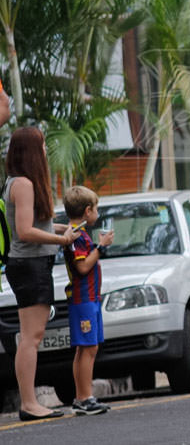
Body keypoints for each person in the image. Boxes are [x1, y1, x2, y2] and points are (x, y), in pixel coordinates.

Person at [4, 127, 77, 420]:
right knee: (31, 338)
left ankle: (29, 402)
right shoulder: (23, 184)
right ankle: (29, 403)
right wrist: (61, 241)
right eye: (43, 146)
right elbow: (24, 231)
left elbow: (36, 225)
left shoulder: (18, 182)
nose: (46, 151)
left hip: (31, 266)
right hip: (30, 267)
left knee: (31, 336)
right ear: (33, 151)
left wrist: (64, 229)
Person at [61, 186, 114, 416]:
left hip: (89, 298)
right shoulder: (76, 237)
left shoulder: (79, 233)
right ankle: (84, 397)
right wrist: (101, 247)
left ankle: (82, 396)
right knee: (88, 347)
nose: (97, 214)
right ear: (87, 210)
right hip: (83, 299)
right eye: (96, 209)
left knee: (85, 348)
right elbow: (82, 266)